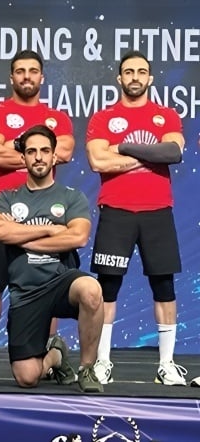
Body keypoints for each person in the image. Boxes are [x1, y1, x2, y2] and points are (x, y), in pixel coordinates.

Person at [85, 50, 187, 386]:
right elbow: (98, 162)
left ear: (150, 78)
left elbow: (172, 152)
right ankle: (102, 361)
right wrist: (149, 156)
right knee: (108, 287)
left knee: (164, 286)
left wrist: (124, 148)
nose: (135, 77)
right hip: (116, 210)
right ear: (119, 78)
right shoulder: (103, 118)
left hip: (157, 211)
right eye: (129, 72)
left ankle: (166, 364)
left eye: (141, 72)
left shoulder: (165, 115)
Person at [0, 50, 75, 382]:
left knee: (50, 285)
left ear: (42, 77)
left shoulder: (57, 117)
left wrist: (13, 147)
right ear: (11, 77)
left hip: (46, 217)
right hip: (4, 216)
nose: (27, 76)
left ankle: (47, 350)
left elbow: (66, 151)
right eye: (20, 71)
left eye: (33, 71)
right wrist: (37, 154)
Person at [0, 125, 103, 393]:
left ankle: (87, 368)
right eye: (31, 152)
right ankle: (56, 355)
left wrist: (20, 236)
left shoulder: (71, 197)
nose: (38, 157)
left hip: (61, 282)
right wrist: (50, 230)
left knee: (91, 289)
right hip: (25, 293)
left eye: (44, 151)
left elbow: (78, 237)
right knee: (27, 378)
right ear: (23, 158)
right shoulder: (6, 197)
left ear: (54, 156)